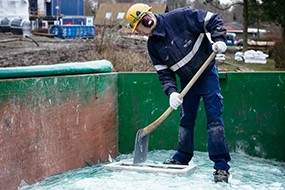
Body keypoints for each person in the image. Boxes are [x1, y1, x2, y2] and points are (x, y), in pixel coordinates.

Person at [126, 3, 231, 183]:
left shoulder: (181, 17)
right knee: (186, 120)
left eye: (139, 29)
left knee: (214, 119)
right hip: (186, 82)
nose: (141, 33)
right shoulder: (153, 46)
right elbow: (164, 74)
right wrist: (172, 93)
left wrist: (219, 39)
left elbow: (212, 20)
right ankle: (182, 156)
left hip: (206, 75)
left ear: (146, 19)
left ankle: (221, 167)